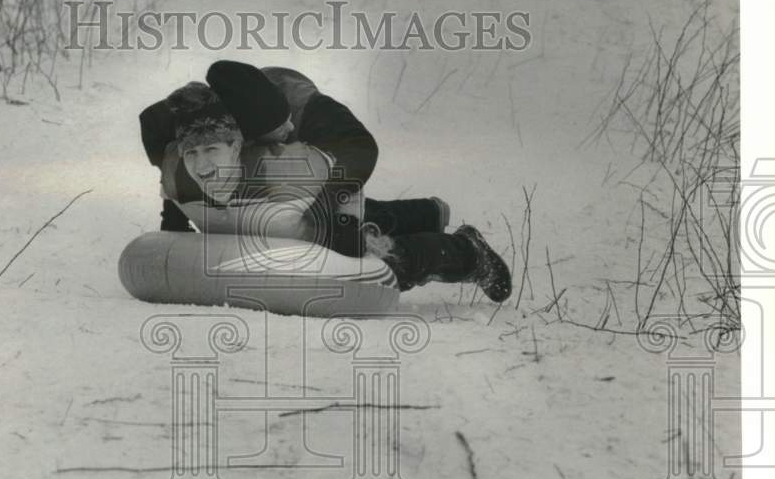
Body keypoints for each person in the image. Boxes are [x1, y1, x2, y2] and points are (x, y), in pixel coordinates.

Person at [156, 82, 512, 302]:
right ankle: (425, 213)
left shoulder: (284, 165)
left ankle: (467, 252)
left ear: (236, 147)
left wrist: (343, 230)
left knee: (354, 247)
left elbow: (346, 176)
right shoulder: (179, 169)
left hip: (323, 136)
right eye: (192, 153)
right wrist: (174, 227)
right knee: (293, 220)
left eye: (212, 151)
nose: (201, 166)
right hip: (282, 162)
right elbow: (174, 187)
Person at [139, 60, 450, 238]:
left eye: (288, 123)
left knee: (319, 208)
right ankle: (428, 212)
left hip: (322, 137)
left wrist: (329, 207)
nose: (287, 128)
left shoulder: (311, 112)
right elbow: (167, 146)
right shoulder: (205, 113)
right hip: (250, 129)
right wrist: (176, 210)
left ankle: (425, 214)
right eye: (280, 127)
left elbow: (362, 150)